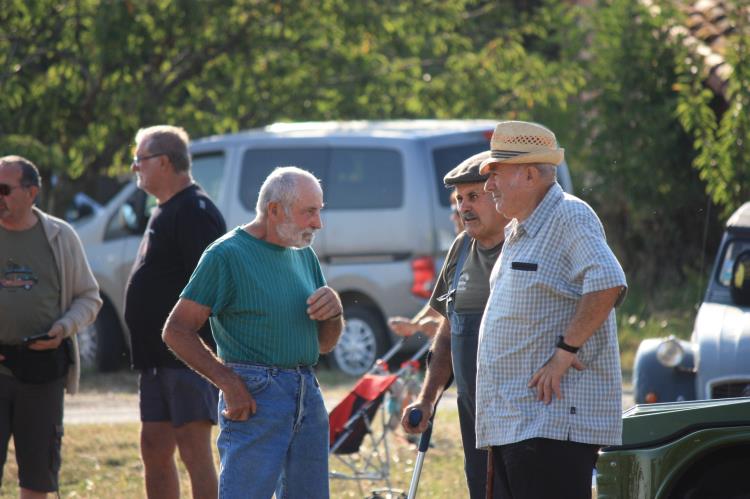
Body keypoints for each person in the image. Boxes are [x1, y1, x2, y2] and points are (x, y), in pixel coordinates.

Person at [162, 166, 343, 498]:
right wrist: (229, 383)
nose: (318, 223)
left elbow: (324, 345)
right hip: (256, 393)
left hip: (307, 389)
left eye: (319, 211)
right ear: (274, 210)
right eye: (309, 212)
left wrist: (335, 312)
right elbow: (176, 330)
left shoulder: (304, 253)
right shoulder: (226, 255)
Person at [476, 121, 627, 499]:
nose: (488, 185)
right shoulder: (520, 229)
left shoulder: (568, 215)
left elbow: (608, 281)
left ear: (529, 174)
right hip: (520, 423)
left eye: (495, 173)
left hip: (551, 423)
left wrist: (565, 353)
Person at [397, 151, 508, 499]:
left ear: (498, 194)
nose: (464, 208)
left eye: (474, 196)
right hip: (474, 417)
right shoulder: (460, 249)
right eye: (460, 199)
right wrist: (427, 399)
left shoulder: (524, 245)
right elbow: (448, 331)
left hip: (524, 418)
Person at [124, 125, 226, 499]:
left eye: (140, 160)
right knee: (153, 446)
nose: (135, 168)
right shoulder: (163, 210)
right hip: (154, 357)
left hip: (186, 356)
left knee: (193, 450)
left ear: (163, 162)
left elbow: (212, 286)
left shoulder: (195, 211)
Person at [0, 156, 102, 498]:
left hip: (42, 371)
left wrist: (63, 327)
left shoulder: (60, 237)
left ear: (32, 192)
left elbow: (89, 298)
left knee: (38, 478)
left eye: (3, 189)